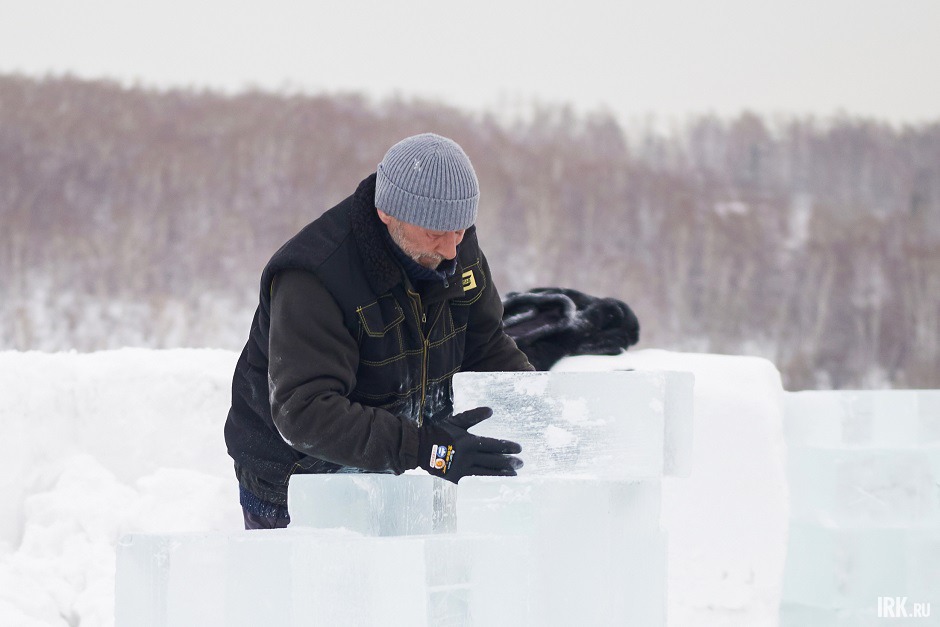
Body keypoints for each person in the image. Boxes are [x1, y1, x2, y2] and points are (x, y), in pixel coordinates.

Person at [224, 133, 534, 530]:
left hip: (393, 467)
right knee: (323, 592)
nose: (453, 248)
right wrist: (428, 448)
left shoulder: (455, 249)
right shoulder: (315, 277)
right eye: (436, 232)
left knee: (406, 587)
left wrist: (538, 411)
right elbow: (304, 412)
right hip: (297, 481)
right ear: (389, 213)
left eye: (461, 229)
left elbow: (486, 347)